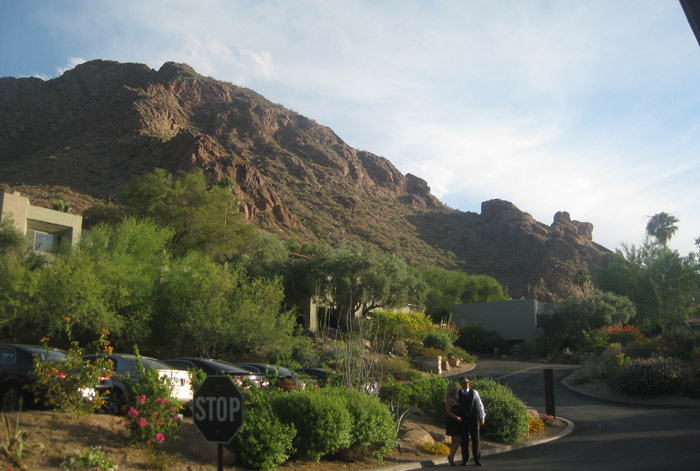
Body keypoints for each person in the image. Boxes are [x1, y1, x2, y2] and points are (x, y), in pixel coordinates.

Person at [457, 376, 486, 466]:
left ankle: (477, 459)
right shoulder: (458, 394)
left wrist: (482, 417)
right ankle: (465, 459)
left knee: (475, 439)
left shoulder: (474, 393)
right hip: (463, 419)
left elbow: (479, 405)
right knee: (464, 440)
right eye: (464, 383)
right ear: (460, 384)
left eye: (467, 382)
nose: (466, 384)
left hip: (473, 418)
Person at [444, 382, 462, 466]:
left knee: (454, 440)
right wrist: (456, 417)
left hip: (458, 421)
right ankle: (451, 457)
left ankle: (451, 457)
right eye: (455, 389)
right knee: (458, 439)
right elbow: (448, 411)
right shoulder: (448, 398)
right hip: (452, 420)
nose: (456, 390)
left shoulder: (456, 397)